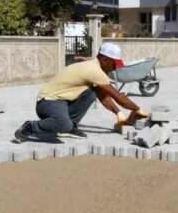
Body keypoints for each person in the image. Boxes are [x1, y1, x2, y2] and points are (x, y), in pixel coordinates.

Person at [14, 43, 148, 143]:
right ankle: (30, 126)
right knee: (63, 124)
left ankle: (71, 126)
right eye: (114, 63)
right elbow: (118, 96)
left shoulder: (94, 67)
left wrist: (118, 114)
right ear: (104, 60)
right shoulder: (94, 70)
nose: (115, 67)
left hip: (62, 101)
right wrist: (139, 110)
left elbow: (103, 95)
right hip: (47, 102)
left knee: (92, 91)